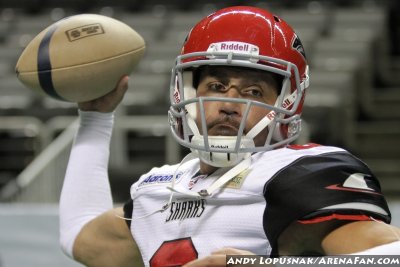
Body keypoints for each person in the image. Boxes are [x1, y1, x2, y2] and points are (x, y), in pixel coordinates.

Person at [59, 6, 400, 267]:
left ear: (286, 102)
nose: (228, 104)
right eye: (216, 86)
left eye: (252, 90)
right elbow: (79, 235)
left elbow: (390, 256)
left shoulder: (296, 174)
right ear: (186, 92)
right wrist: (95, 117)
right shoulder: (159, 188)